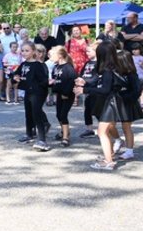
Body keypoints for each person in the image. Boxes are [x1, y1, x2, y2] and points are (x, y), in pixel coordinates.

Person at [77, 42, 125, 171]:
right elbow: (99, 85)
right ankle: (108, 157)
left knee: (102, 132)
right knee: (105, 131)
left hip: (111, 102)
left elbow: (104, 89)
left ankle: (109, 161)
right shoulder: (111, 68)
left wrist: (85, 91)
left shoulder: (108, 70)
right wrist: (85, 86)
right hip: (110, 102)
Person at [14, 42, 50, 151]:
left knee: (37, 114)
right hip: (28, 92)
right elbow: (16, 74)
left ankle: (42, 140)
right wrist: (15, 77)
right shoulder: (23, 64)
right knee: (28, 113)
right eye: (23, 50)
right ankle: (29, 134)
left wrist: (49, 83)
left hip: (37, 93)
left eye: (27, 50)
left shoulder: (38, 65)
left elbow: (43, 80)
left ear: (33, 52)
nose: (24, 53)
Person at [48, 46, 77, 147]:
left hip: (67, 94)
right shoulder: (56, 67)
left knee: (63, 115)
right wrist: (52, 84)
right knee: (58, 114)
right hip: (60, 94)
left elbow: (71, 81)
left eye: (52, 55)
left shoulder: (68, 67)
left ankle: (65, 137)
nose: (50, 57)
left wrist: (66, 93)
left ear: (60, 55)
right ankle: (64, 131)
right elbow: (56, 80)